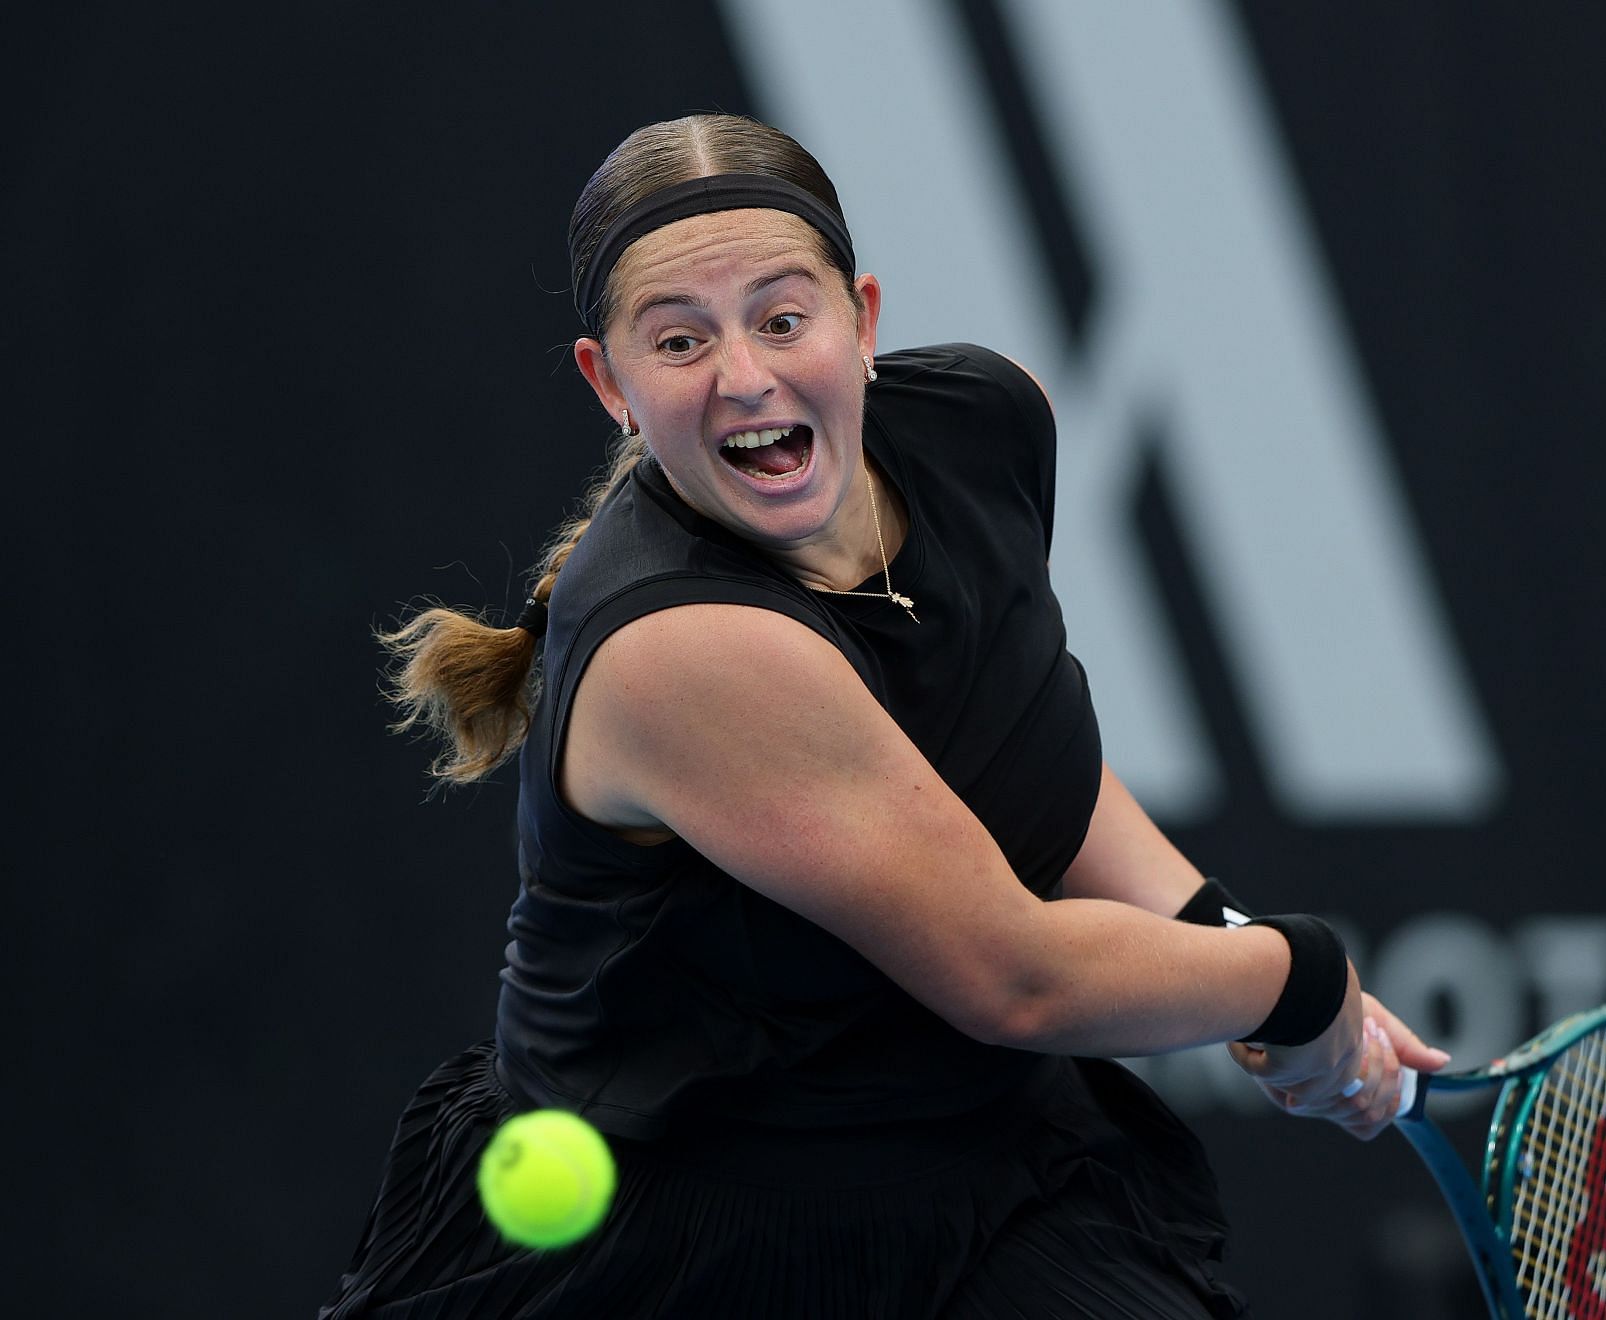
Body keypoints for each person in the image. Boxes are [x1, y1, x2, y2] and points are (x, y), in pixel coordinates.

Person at [322, 113, 1449, 1319]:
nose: (744, 375)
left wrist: (1215, 926)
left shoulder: (983, 427)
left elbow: (1022, 755)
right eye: (680, 339)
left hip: (977, 1167)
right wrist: (1296, 979)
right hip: (685, 1233)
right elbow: (1014, 978)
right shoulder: (684, 648)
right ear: (611, 384)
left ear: (862, 317)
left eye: (783, 315)